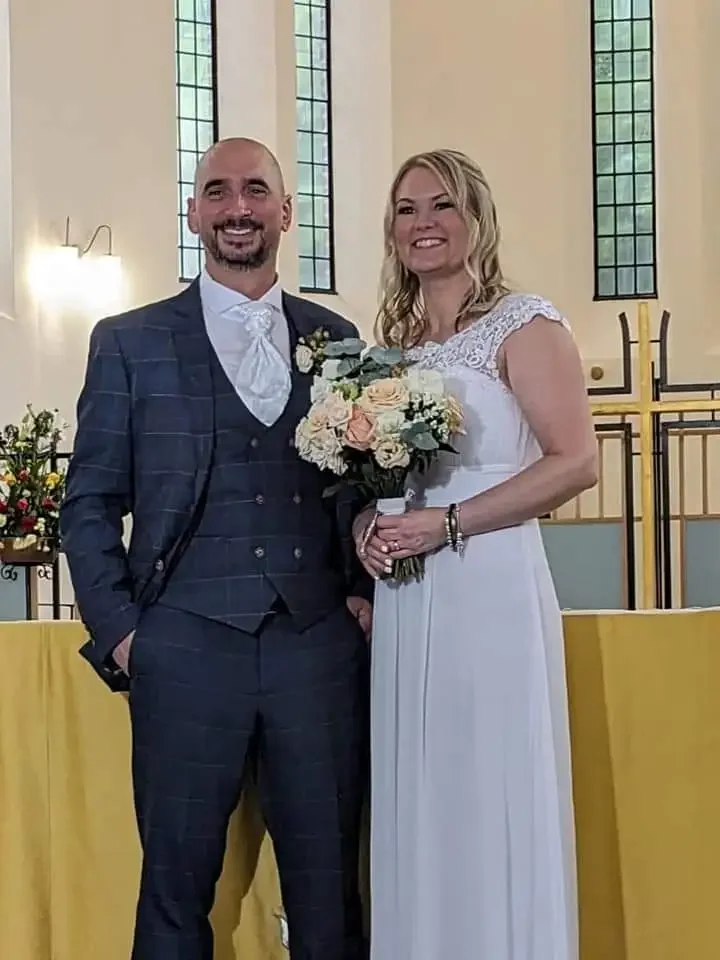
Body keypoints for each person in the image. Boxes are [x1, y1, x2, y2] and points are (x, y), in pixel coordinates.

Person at [61, 137, 373, 960]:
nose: (239, 207)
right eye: (219, 191)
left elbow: (363, 488)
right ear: (194, 212)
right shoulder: (128, 342)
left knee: (332, 898)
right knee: (174, 897)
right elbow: (88, 503)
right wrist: (125, 633)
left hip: (317, 651)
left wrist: (362, 596)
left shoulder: (337, 339)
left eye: (256, 190)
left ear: (286, 212)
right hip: (183, 648)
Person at [355, 149, 598, 960]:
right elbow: (384, 475)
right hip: (407, 591)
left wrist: (449, 522)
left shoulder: (524, 325)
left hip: (486, 580)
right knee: (422, 784)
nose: (423, 223)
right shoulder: (390, 350)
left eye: (442, 205)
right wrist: (369, 521)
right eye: (407, 209)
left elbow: (576, 462)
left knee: (488, 778)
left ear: (476, 218)